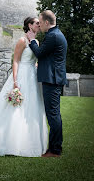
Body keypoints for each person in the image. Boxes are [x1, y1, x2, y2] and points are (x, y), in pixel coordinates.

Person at [0, 17, 48, 157]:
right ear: (30, 26)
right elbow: (16, 61)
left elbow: (36, 59)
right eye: (37, 23)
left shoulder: (36, 41)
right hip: (22, 76)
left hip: (32, 76)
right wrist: (15, 81)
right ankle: (3, 142)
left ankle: (29, 142)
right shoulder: (22, 41)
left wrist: (36, 66)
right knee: (15, 108)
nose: (39, 24)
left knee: (32, 107)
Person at [27, 10, 67, 158]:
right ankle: (55, 147)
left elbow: (39, 53)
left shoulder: (53, 36)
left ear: (46, 22)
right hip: (53, 78)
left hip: (52, 80)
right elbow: (48, 57)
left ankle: (55, 150)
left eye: (40, 22)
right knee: (54, 114)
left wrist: (31, 39)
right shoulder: (55, 34)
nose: (39, 25)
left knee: (53, 115)